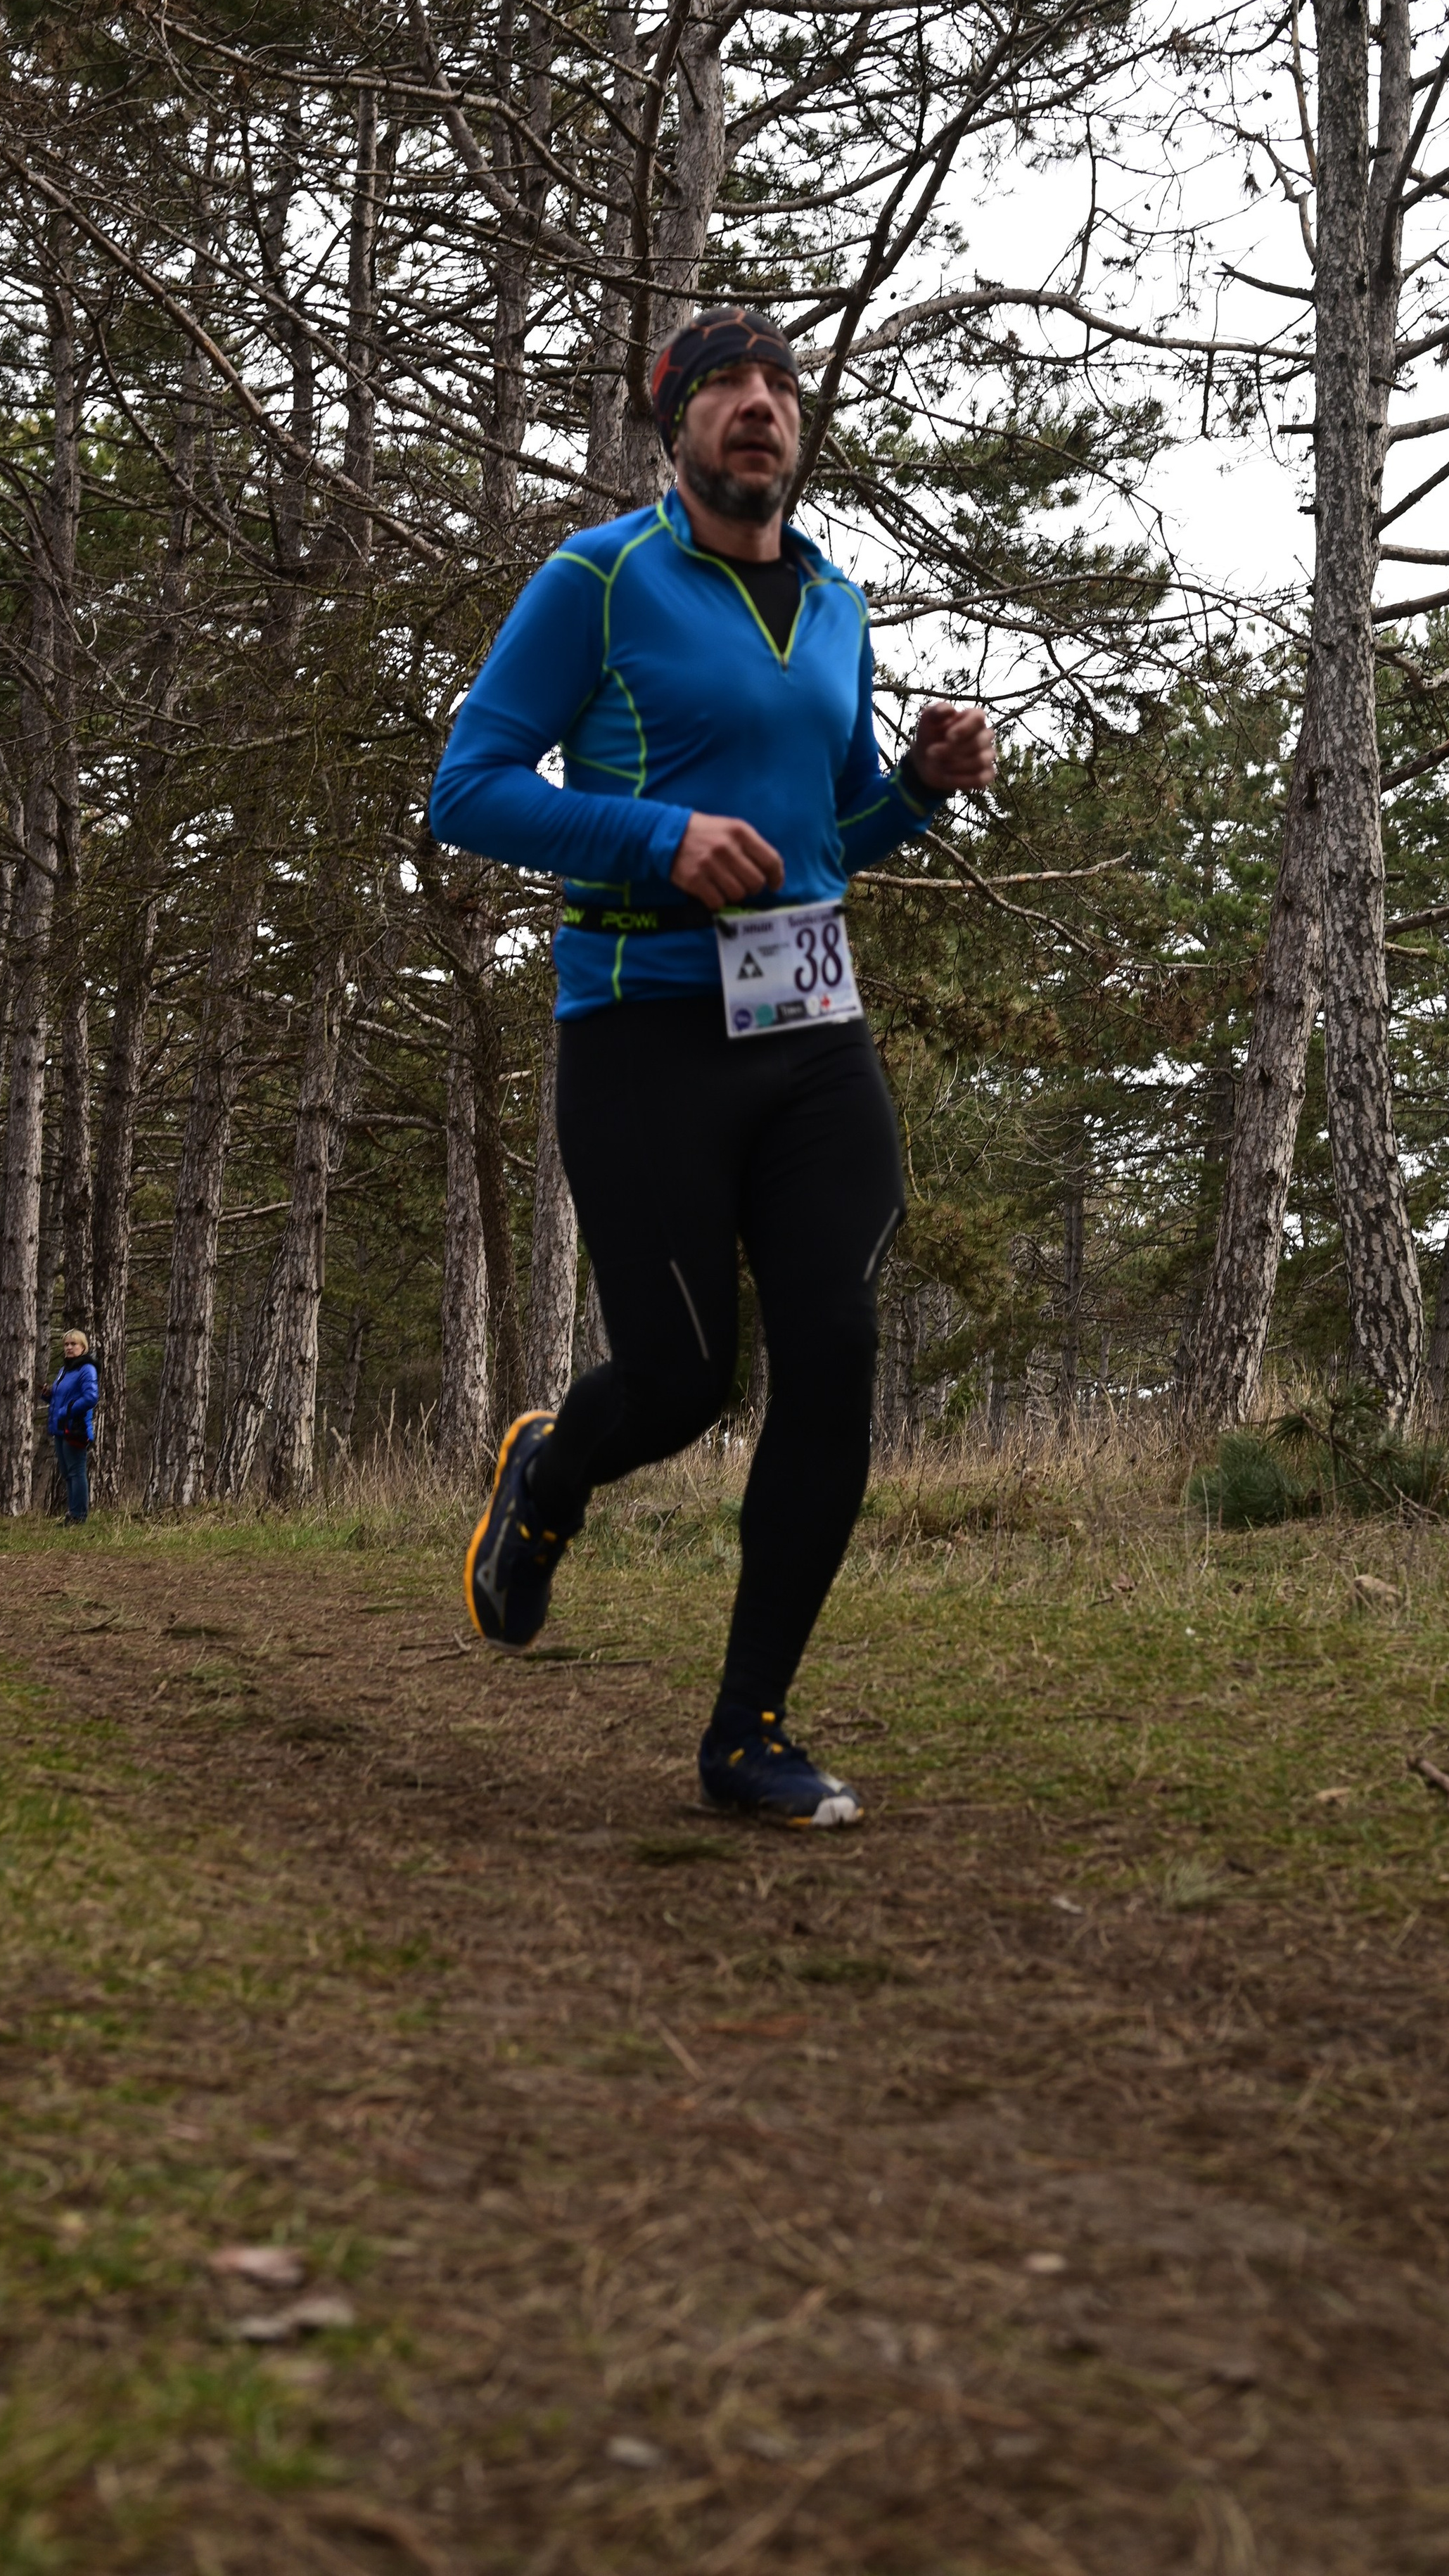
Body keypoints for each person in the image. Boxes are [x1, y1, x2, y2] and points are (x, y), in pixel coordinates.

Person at [431, 304, 994, 1827]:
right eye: (722, 387)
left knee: (832, 1347)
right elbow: (466, 790)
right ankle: (547, 1478)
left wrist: (920, 792)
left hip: (811, 1031)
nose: (755, 405)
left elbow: (821, 843)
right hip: (641, 1026)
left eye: (776, 386)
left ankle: (746, 1730)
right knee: (682, 1380)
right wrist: (654, 838)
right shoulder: (597, 580)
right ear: (670, 423)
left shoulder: (834, 605)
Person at [47, 1329, 98, 1526]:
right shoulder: (65, 1369)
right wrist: (49, 1395)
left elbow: (91, 1397)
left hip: (75, 1428)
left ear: (83, 1347)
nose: (69, 1347)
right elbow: (62, 1396)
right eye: (66, 1344)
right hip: (60, 1427)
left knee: (76, 1471)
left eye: (73, 1344)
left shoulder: (87, 1369)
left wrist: (68, 1410)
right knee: (67, 1472)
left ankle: (79, 1516)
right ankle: (72, 1513)